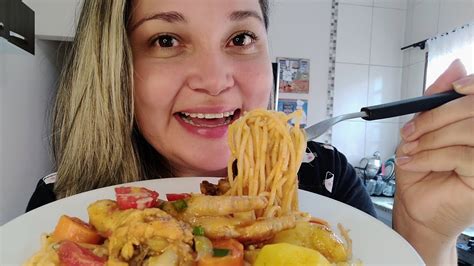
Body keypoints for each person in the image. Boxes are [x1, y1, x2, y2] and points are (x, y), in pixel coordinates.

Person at [25, 0, 473, 265]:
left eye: (240, 39)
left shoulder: (327, 178)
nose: (215, 79)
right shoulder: (64, 201)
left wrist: (425, 236)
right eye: (166, 40)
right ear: (115, 67)